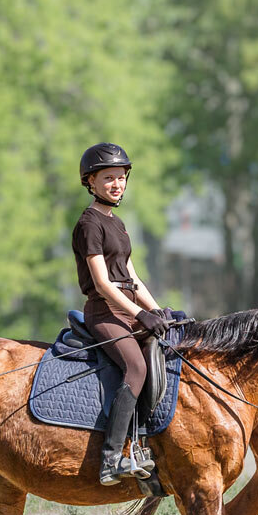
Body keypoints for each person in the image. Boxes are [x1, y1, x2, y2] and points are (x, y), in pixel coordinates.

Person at [72, 142, 168, 484]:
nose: (117, 184)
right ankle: (113, 456)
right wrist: (140, 316)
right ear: (91, 182)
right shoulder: (89, 224)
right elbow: (102, 282)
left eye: (122, 177)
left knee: (164, 354)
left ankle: (143, 444)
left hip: (126, 310)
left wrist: (157, 310)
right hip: (104, 312)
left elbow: (131, 276)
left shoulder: (119, 224)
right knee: (137, 365)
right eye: (109, 178)